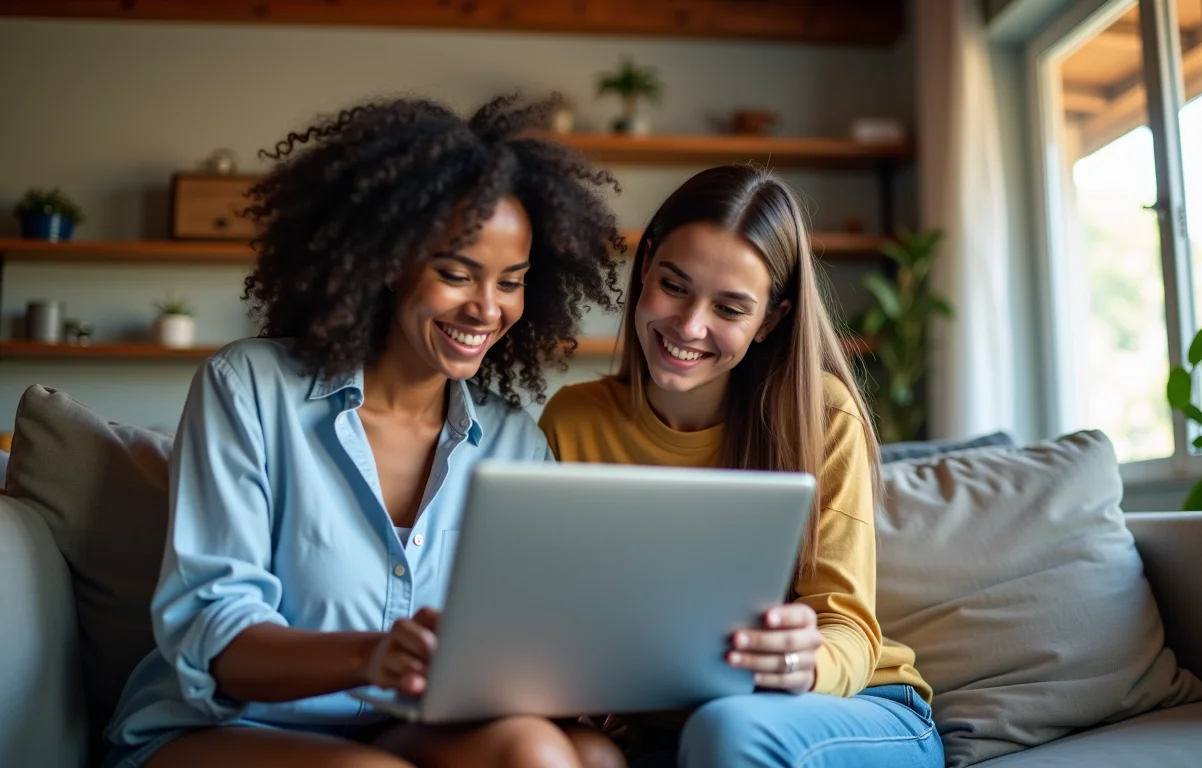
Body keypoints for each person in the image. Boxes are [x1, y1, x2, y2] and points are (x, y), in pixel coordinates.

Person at [103, 95, 628, 768]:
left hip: (402, 729)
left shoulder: (512, 442)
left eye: (511, 282)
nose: (486, 309)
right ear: (385, 261)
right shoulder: (250, 388)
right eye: (456, 274)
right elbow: (218, 636)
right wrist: (372, 654)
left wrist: (584, 676)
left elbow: (532, 632)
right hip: (224, 729)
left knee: (570, 753)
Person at [537, 165, 944, 768]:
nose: (689, 325)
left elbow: (848, 630)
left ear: (770, 321)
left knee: (728, 731)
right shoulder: (572, 420)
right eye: (674, 286)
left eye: (729, 308)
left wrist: (802, 662)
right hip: (680, 728)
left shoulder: (820, 415)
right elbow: (557, 613)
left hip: (855, 707)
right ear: (645, 266)